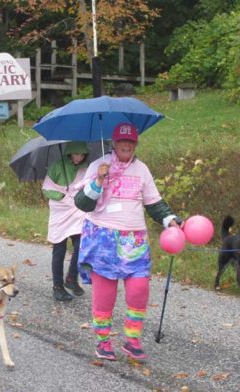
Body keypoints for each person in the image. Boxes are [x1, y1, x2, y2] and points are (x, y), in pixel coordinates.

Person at [74, 122, 184, 362]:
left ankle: (132, 340)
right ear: (114, 143)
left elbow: (154, 203)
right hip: (102, 237)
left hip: (134, 240)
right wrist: (98, 181)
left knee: (138, 289)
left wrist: (169, 220)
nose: (126, 145)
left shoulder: (141, 170)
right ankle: (103, 341)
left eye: (131, 142)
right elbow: (82, 203)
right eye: (122, 141)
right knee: (106, 294)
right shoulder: (98, 165)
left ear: (135, 144)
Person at [42, 141, 90, 301]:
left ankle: (71, 277)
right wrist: (61, 196)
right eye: (76, 154)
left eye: (82, 155)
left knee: (81, 244)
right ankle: (57, 286)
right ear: (70, 153)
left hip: (77, 210)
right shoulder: (56, 166)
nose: (79, 157)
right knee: (59, 250)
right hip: (60, 211)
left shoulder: (86, 168)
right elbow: (46, 188)